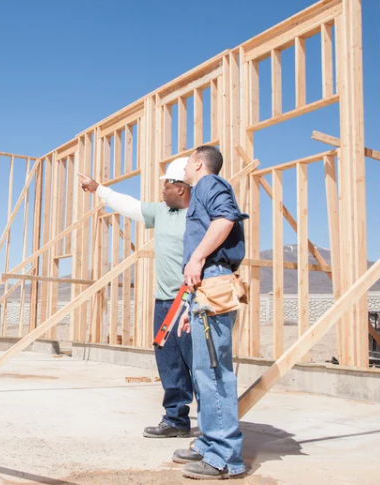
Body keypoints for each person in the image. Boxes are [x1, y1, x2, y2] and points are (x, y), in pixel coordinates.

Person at [78, 158, 194, 439]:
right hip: (164, 302)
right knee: (170, 363)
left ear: (180, 187)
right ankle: (176, 420)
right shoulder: (162, 212)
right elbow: (129, 205)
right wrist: (98, 189)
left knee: (199, 363)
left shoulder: (200, 217)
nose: (162, 190)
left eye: (166, 184)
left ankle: (217, 429)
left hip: (190, 303)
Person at [175, 145, 247, 480]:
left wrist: (198, 257)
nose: (185, 168)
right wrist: (192, 302)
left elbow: (226, 218)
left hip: (212, 280)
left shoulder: (208, 184)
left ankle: (223, 458)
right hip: (205, 288)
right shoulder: (203, 189)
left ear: (199, 164)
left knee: (214, 373)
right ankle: (208, 443)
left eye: (188, 162)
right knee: (205, 372)